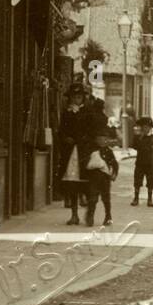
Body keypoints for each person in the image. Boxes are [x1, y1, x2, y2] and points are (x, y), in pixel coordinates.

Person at [55, 81, 96, 226]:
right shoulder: (67, 112)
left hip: (84, 151)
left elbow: (93, 131)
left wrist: (87, 139)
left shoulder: (89, 112)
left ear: (83, 98)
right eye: (74, 97)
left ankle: (89, 213)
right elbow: (61, 131)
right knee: (72, 183)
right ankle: (74, 214)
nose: (76, 99)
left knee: (87, 182)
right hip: (71, 152)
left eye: (79, 96)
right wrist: (66, 138)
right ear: (70, 98)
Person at [85, 131, 120, 227]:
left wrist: (114, 174)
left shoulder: (108, 151)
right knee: (93, 198)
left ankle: (108, 216)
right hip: (93, 177)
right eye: (100, 139)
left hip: (105, 178)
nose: (102, 141)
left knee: (106, 198)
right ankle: (90, 216)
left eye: (104, 139)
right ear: (96, 140)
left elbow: (114, 163)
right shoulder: (91, 150)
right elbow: (85, 163)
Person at [130, 116, 153, 207]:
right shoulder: (138, 137)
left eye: (148, 127)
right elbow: (134, 146)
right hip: (140, 162)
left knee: (150, 181)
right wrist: (140, 136)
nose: (147, 129)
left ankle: (150, 199)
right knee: (137, 181)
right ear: (142, 127)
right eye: (145, 127)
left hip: (150, 163)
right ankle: (136, 198)